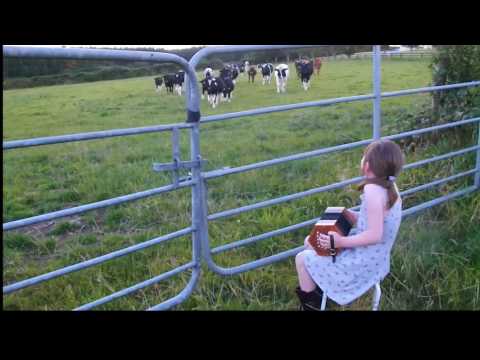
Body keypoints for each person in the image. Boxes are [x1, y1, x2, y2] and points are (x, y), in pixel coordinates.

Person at [295, 139, 405, 310]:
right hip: (376, 259)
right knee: (310, 242)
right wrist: (353, 216)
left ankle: (312, 307)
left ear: (367, 166)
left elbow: (375, 235)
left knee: (302, 259)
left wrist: (340, 242)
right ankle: (322, 294)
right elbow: (376, 220)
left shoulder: (373, 192)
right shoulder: (390, 187)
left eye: (363, 156)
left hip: (362, 263)